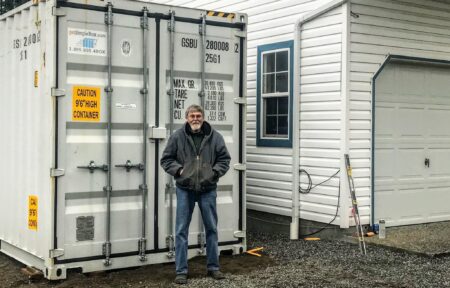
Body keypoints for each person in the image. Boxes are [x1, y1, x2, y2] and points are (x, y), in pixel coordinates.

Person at [161, 104, 231, 285]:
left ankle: (214, 268)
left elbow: (224, 159)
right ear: (186, 118)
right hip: (185, 189)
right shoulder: (177, 137)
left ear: (203, 117)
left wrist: (214, 173)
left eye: (198, 116)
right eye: (192, 116)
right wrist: (179, 171)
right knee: (181, 230)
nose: (195, 119)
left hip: (208, 189)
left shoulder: (215, 137)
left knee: (212, 229)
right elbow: (166, 159)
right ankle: (181, 271)